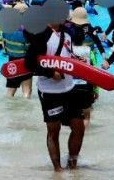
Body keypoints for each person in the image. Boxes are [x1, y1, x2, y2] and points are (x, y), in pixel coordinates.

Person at [24, 19, 85, 172]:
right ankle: (57, 170)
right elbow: (29, 63)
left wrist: (77, 61)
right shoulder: (41, 35)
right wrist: (51, 73)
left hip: (70, 87)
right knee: (54, 131)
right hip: (49, 92)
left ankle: (73, 164)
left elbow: (66, 54)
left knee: (79, 128)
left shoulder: (68, 32)